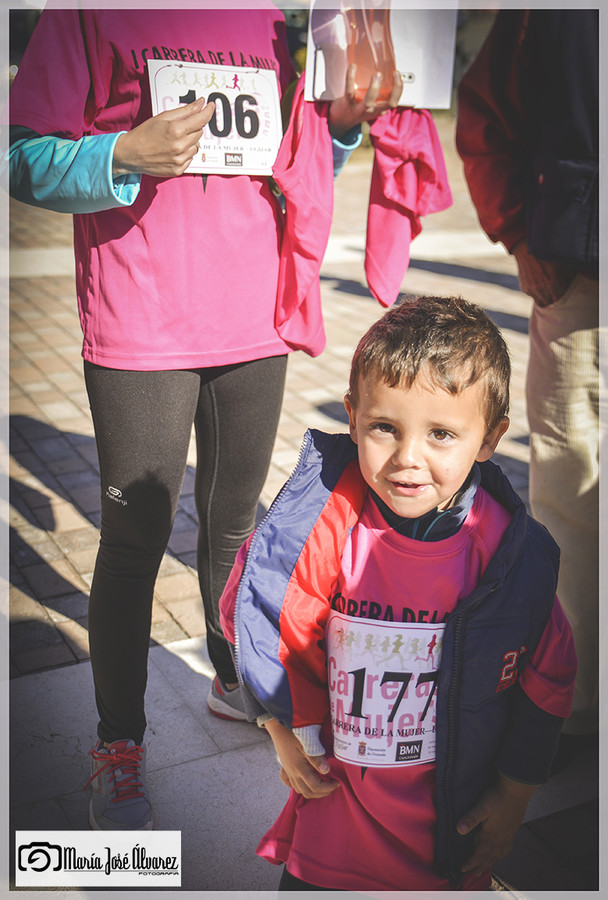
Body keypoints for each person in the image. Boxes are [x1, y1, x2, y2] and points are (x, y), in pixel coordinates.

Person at [6, 6, 403, 830]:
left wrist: (341, 129)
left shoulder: (270, 15)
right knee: (134, 543)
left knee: (235, 526)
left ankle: (240, 686)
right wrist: (120, 152)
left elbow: (290, 160)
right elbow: (20, 156)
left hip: (255, 317)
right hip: (139, 318)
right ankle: (118, 746)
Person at [219, 296, 577, 892]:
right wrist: (280, 728)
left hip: (449, 843)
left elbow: (549, 676)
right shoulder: (322, 525)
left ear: (490, 439)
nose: (408, 459)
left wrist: (514, 798)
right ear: (353, 417)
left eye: (441, 434)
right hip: (332, 829)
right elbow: (258, 609)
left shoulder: (512, 558)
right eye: (385, 427)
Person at [455, 10, 599, 762]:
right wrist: (516, 228)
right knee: (570, 492)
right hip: (581, 269)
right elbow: (484, 112)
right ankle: (571, 705)